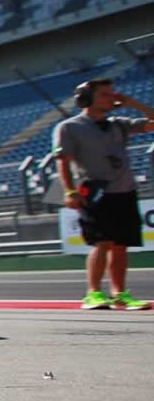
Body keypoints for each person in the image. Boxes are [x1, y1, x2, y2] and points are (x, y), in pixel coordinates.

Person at [54, 77, 154, 309]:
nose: (111, 98)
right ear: (87, 99)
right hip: (95, 192)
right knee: (102, 242)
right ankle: (93, 293)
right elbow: (63, 161)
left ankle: (119, 293)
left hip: (125, 191)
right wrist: (69, 190)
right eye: (104, 94)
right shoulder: (69, 127)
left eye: (112, 93)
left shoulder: (119, 124)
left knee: (121, 244)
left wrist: (131, 103)